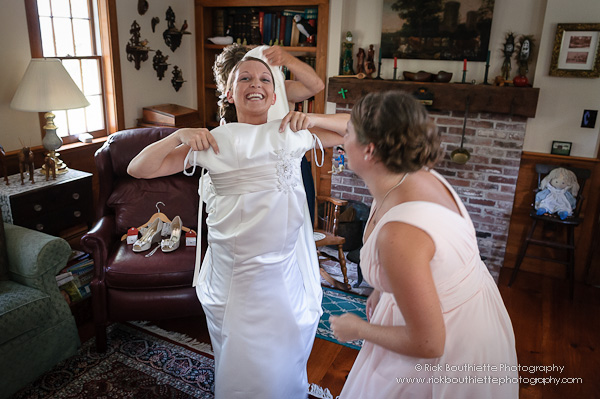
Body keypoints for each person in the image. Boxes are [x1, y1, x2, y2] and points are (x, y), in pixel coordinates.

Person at [128, 57, 345, 398]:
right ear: (229, 93)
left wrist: (313, 117)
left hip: (283, 275)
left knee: (282, 356)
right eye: (244, 78)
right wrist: (177, 137)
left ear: (275, 96)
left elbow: (359, 129)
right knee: (244, 360)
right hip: (237, 278)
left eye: (265, 79)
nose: (255, 83)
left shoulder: (293, 133)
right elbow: (138, 168)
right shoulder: (214, 140)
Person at [305, 91, 518, 398]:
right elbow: (423, 265)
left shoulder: (400, 233)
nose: (341, 139)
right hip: (463, 310)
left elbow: (429, 343)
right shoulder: (411, 175)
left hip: (448, 347)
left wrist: (358, 329)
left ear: (370, 150)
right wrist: (381, 289)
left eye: (347, 134)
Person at [213, 43, 324, 223]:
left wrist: (288, 60)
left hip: (286, 167)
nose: (253, 85)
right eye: (242, 78)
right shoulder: (229, 111)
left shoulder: (279, 90)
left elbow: (316, 86)